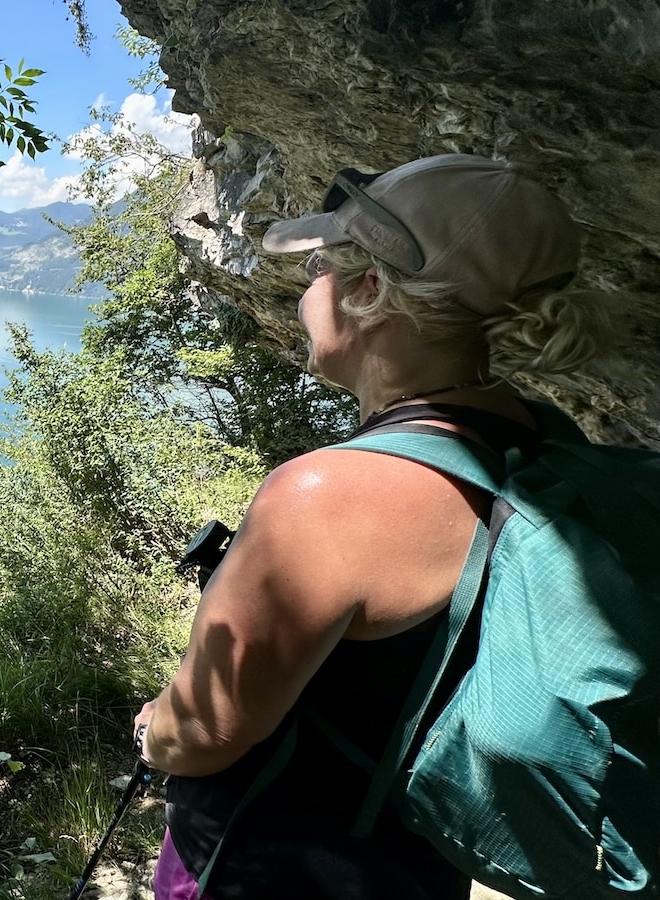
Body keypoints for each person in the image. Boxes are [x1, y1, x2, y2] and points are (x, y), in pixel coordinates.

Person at [132, 154, 611, 899]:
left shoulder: (328, 497)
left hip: (270, 867)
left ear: (370, 290)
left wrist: (149, 728)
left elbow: (204, 733)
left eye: (320, 265)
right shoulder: (545, 442)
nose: (305, 289)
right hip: (421, 862)